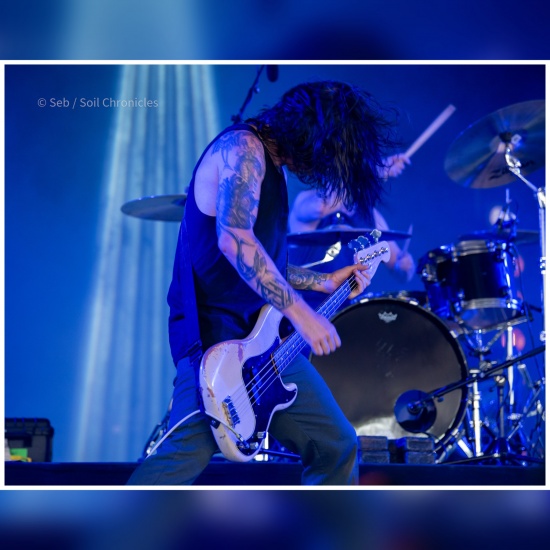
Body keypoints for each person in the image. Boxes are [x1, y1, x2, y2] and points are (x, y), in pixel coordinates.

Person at [127, 80, 402, 486]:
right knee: (182, 457)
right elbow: (235, 240)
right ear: (313, 137)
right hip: (214, 341)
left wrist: (324, 282)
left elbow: (262, 263)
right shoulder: (243, 149)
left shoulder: (274, 168)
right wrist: (303, 315)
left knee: (336, 445)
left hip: (263, 345)